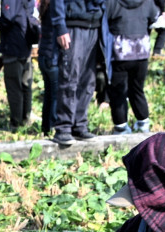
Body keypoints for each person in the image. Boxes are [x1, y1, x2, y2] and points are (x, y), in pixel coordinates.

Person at [48, 0, 105, 145]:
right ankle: (64, 127)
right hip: (72, 26)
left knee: (88, 80)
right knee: (69, 78)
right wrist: (60, 27)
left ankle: (79, 124)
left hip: (95, 25)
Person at [105, 0, 155, 132]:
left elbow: (104, 19)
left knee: (118, 92)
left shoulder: (112, 2)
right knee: (137, 89)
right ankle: (143, 123)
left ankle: (121, 126)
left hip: (120, 51)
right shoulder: (147, 2)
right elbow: (154, 17)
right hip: (141, 51)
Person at [0, 0, 36, 131]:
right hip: (26, 43)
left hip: (13, 45)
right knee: (25, 85)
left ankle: (15, 123)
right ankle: (25, 118)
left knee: (14, 85)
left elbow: (7, 18)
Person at [37, 0, 59, 133]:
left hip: (43, 55)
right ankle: (53, 126)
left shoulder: (44, 6)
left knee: (48, 94)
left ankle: (46, 127)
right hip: (52, 56)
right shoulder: (55, 8)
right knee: (56, 95)